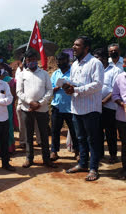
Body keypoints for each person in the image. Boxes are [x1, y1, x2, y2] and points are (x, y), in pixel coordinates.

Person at [65, 36, 104, 181]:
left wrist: (77, 89)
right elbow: (75, 83)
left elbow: (97, 84)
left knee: (92, 140)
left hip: (90, 108)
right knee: (80, 138)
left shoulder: (95, 63)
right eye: (73, 45)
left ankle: (93, 168)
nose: (74, 47)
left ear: (86, 48)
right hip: (76, 107)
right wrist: (68, 86)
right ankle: (82, 163)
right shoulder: (74, 64)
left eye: (77, 45)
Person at [17, 49, 56, 168]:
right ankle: (29, 158)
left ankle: (46, 159)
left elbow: (49, 90)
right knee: (28, 135)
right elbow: (19, 91)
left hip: (42, 109)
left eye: (34, 59)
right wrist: (30, 102)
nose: (31, 62)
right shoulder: (22, 74)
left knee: (44, 135)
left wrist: (40, 103)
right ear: (26, 61)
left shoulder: (44, 73)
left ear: (37, 60)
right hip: (26, 109)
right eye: (29, 60)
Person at [94, 48, 122, 163]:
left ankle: (113, 155)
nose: (95, 61)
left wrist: (104, 101)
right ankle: (100, 154)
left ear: (104, 59)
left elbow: (115, 90)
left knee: (110, 133)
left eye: (98, 59)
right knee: (98, 132)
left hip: (109, 107)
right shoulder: (94, 70)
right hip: (96, 107)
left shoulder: (115, 71)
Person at [50, 52, 79, 161]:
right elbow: (50, 89)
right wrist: (56, 88)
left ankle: (77, 151)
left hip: (71, 106)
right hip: (57, 106)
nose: (59, 63)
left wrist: (69, 86)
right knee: (55, 130)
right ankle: (54, 151)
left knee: (74, 131)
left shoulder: (73, 72)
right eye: (58, 61)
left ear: (67, 60)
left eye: (62, 61)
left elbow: (77, 86)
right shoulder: (55, 74)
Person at [112, 71, 126, 179]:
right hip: (123, 118)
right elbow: (115, 95)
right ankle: (125, 169)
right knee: (125, 145)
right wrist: (122, 104)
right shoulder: (120, 77)